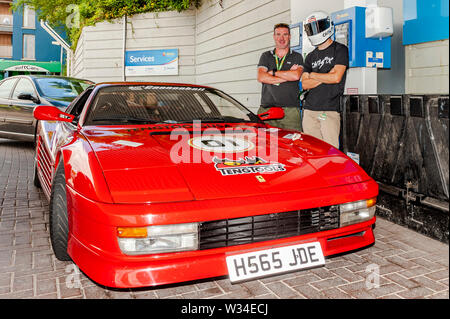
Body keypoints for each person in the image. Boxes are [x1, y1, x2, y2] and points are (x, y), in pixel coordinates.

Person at [301, 11, 349, 149]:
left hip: (329, 111)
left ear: (327, 25)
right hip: (309, 111)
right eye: (311, 28)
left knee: (330, 152)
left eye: (317, 27)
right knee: (312, 150)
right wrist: (326, 74)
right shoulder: (310, 56)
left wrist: (314, 75)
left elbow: (336, 77)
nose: (314, 32)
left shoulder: (340, 50)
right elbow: (305, 84)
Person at [257, 23, 304, 131]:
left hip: (290, 111)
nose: (281, 38)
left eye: (285, 34)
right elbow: (261, 77)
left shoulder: (297, 56)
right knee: (266, 144)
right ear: (274, 37)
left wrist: (273, 72)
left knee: (292, 143)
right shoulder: (266, 56)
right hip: (267, 109)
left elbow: (296, 75)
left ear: (290, 36)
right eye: (278, 34)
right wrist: (287, 76)